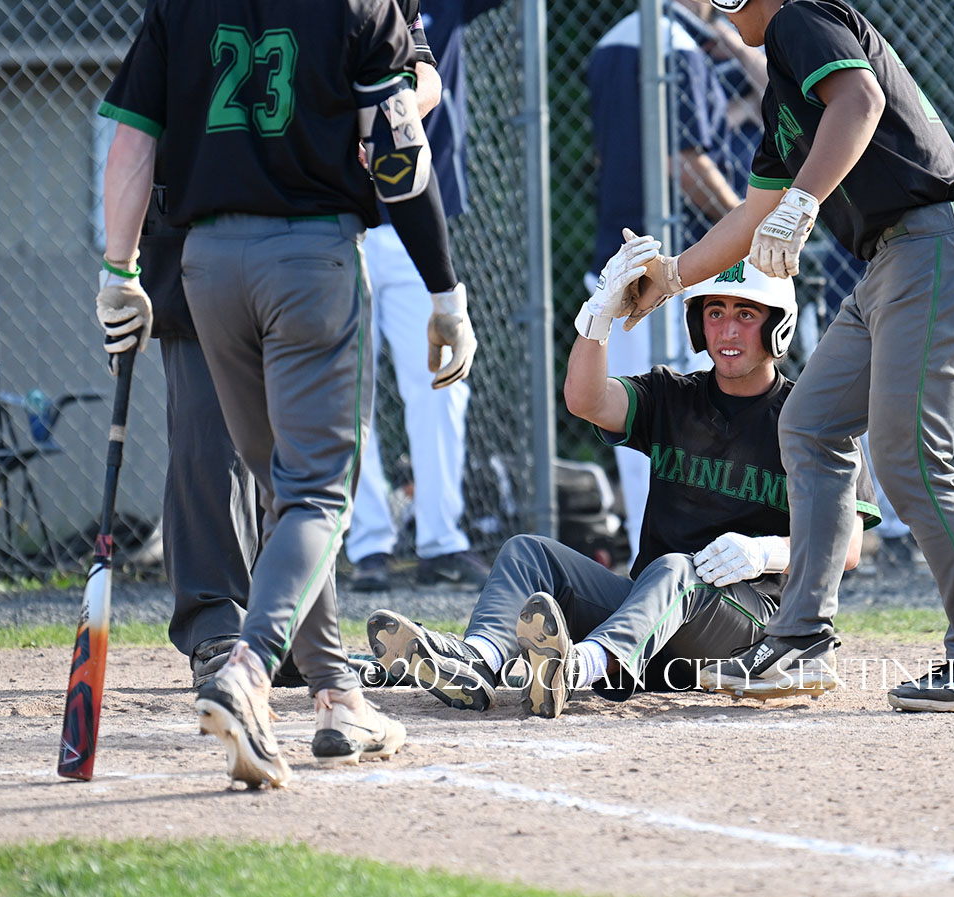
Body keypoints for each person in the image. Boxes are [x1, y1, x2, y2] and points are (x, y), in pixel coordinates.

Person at [96, 0, 477, 788]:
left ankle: (337, 694)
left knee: (281, 489)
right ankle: (249, 670)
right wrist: (443, 288)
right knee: (317, 491)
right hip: (309, 257)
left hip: (204, 265)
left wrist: (118, 268)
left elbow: (133, 141)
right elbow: (399, 158)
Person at [630, 0, 954, 713]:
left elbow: (860, 102)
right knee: (808, 423)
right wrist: (670, 275)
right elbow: (750, 216)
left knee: (912, 461)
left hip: (934, 247)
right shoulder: (787, 84)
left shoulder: (801, 16)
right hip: (894, 260)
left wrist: (806, 202)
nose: (718, 4)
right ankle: (799, 641)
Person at [366, 247, 876, 718]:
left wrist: (764, 552)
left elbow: (847, 546)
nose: (726, 330)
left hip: (748, 630)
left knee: (677, 568)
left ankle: (576, 669)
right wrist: (598, 317)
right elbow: (585, 400)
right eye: (714, 312)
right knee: (528, 552)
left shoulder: (812, 419)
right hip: (649, 617)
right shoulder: (673, 395)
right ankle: (477, 659)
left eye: (746, 315)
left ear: (778, 326)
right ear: (697, 324)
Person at [349, 0, 667, 592]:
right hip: (344, 224)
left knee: (440, 383)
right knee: (347, 389)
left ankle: (441, 538)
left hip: (416, 228)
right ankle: (365, 544)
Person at [584, 0, 742, 560]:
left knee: (637, 412)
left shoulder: (612, 40)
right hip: (676, 264)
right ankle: (680, 553)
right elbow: (686, 163)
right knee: (687, 412)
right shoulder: (677, 46)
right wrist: (748, 225)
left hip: (622, 252)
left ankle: (648, 551)